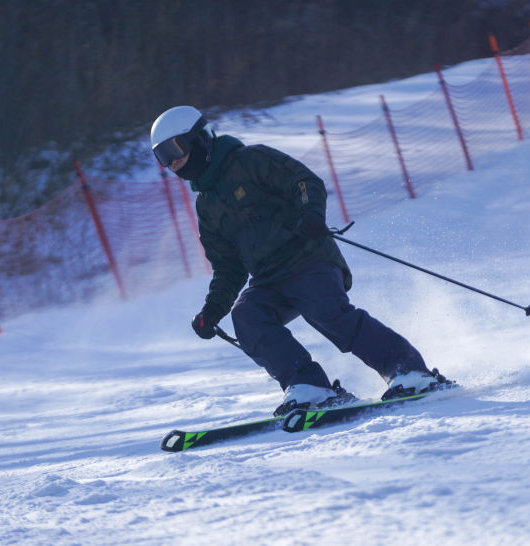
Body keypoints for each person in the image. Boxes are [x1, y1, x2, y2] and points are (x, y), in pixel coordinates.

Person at [150, 106, 452, 416]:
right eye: (163, 157)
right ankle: (309, 386)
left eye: (176, 148)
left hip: (308, 256)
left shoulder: (251, 160)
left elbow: (304, 182)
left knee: (325, 310)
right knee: (248, 316)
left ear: (200, 138)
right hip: (269, 279)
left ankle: (408, 370)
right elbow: (228, 267)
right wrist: (212, 311)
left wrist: (311, 214)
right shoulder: (206, 206)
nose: (173, 162)